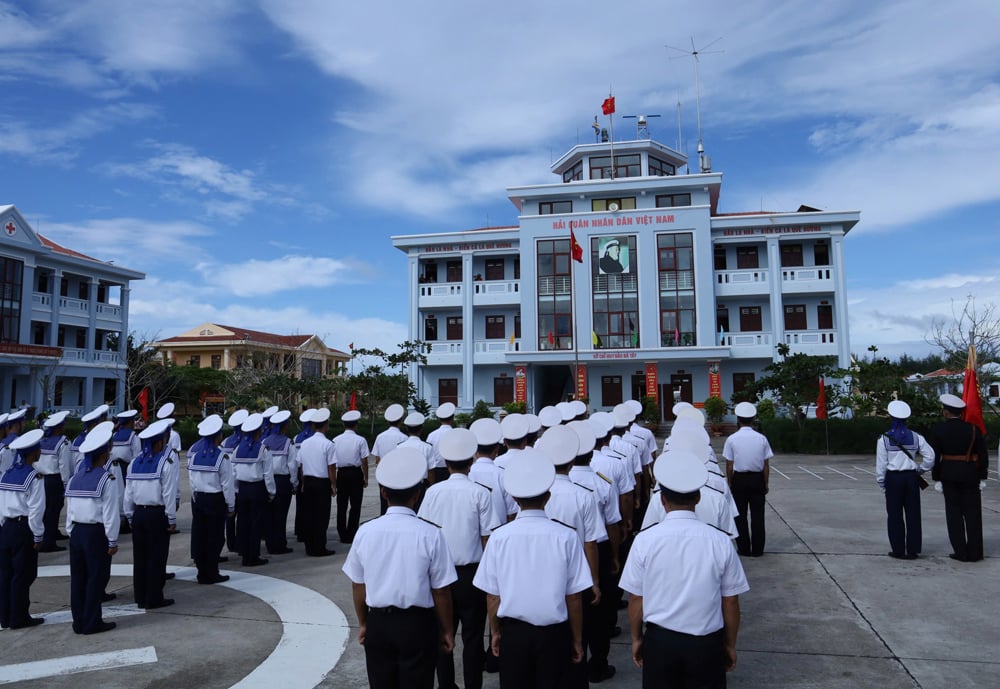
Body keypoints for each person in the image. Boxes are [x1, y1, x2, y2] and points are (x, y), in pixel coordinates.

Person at [620, 450, 750, 688]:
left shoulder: (645, 540)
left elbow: (636, 598)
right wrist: (730, 644)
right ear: (698, 498)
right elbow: (730, 601)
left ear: (661, 499)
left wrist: (637, 638)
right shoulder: (719, 540)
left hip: (660, 642)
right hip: (706, 643)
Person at [473, 450, 592, 689]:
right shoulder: (566, 536)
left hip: (514, 634)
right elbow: (575, 596)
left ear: (515, 499)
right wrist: (577, 639)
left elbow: (493, 595)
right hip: (554, 634)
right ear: (547, 497)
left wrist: (495, 632)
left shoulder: (499, 537)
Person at [342, 446, 457, 689]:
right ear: (417, 495)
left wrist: (364, 623)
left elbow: (358, 584)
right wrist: (447, 629)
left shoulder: (366, 531)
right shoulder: (431, 534)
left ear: (383, 493)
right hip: (418, 625)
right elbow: (441, 591)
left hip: (379, 624)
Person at [418, 429, 498, 689]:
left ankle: (446, 685)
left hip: (440, 575)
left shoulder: (432, 493)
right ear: (472, 460)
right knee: (473, 637)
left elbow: (424, 533)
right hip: (472, 575)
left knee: (443, 634)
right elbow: (488, 539)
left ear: (446, 462)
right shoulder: (480, 493)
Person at [567, 420, 622, 684]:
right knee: (598, 613)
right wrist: (614, 555)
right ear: (592, 452)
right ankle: (598, 664)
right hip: (594, 551)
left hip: (564, 553)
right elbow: (612, 523)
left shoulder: (551, 487)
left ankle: (571, 660)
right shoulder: (602, 482)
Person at [65, 422, 120, 634]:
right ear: (104, 455)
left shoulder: (75, 478)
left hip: (77, 532)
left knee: (78, 579)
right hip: (96, 534)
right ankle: (92, 621)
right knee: (95, 578)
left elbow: (70, 511)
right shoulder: (106, 478)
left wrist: (72, 532)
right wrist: (112, 540)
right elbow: (110, 513)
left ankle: (78, 621)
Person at [123, 418, 178, 608]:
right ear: (160, 442)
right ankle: (154, 597)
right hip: (156, 514)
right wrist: (171, 517)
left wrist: (129, 515)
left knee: (140, 558)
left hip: (138, 514)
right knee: (156, 557)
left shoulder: (134, 463)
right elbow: (169, 493)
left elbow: (128, 493)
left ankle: (140, 596)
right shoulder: (165, 463)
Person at [929, 393, 989, 562]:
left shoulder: (939, 430)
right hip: (970, 474)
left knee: (954, 514)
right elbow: (983, 455)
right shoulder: (973, 429)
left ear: (946, 413)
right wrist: (983, 477)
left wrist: (937, 478)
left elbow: (935, 457)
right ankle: (975, 552)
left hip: (948, 475)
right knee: (973, 514)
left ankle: (961, 552)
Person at [875, 400, 934, 560]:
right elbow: (930, 457)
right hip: (911, 477)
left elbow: (881, 465)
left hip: (893, 478)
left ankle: (898, 549)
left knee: (894, 515)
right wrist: (920, 470)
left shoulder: (884, 439)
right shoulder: (916, 437)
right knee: (913, 514)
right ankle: (913, 549)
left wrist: (882, 483)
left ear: (890, 416)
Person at [0, 428, 46, 629]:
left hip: (7, 527)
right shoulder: (34, 477)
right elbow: (36, 510)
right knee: (23, 574)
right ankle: (19, 616)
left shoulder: (7, 474)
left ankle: (6, 616)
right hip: (23, 527)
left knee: (6, 574)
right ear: (33, 453)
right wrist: (38, 535)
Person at [187, 414, 234, 584]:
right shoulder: (222, 457)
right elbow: (227, 484)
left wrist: (196, 497)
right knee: (215, 537)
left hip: (199, 499)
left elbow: (192, 481)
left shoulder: (195, 455)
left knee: (201, 536)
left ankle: (202, 572)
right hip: (215, 500)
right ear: (218, 436)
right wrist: (230, 506)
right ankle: (212, 572)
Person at [723, 401, 773, 556]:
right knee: (758, 516)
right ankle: (758, 550)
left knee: (740, 515)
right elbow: (766, 464)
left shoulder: (732, 439)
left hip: (740, 479)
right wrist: (765, 483)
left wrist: (730, 482)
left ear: (738, 419)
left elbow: (729, 464)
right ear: (753, 419)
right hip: (757, 478)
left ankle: (744, 548)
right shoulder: (761, 438)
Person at [231, 413, 275, 567]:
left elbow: (234, 473)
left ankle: (244, 553)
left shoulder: (237, 450)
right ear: (259, 431)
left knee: (242, 522)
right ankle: (253, 556)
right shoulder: (263, 449)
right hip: (257, 489)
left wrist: (237, 490)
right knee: (256, 523)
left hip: (242, 489)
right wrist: (271, 492)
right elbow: (268, 474)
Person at [297, 408, 337, 557]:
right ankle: (320, 547)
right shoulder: (328, 444)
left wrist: (302, 483)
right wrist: (334, 485)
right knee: (321, 516)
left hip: (308, 482)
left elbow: (301, 466)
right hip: (322, 483)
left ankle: (310, 547)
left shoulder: (305, 443)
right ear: (325, 425)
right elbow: (331, 467)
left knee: (309, 515)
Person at [263, 410, 297, 555]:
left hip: (268, 481)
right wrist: (294, 484)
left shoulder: (264, 442)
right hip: (283, 482)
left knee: (270, 515)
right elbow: (292, 466)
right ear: (284, 426)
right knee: (281, 515)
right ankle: (280, 544)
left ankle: (270, 544)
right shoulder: (288, 443)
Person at [36, 411, 72, 551]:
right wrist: (66, 484)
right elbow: (64, 466)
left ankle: (51, 534)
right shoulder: (63, 442)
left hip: (41, 478)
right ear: (59, 427)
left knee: (45, 510)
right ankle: (48, 542)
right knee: (53, 510)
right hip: (54, 479)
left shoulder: (41, 440)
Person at [333, 410, 369, 544]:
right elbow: (364, 460)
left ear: (343, 425)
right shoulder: (360, 440)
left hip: (341, 473)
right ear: (356, 425)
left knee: (341, 504)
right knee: (355, 504)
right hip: (355, 473)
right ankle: (352, 532)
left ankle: (342, 533)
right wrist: (366, 477)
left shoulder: (336, 440)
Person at [109, 410, 141, 536]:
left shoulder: (113, 435)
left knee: (116, 494)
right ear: (131, 422)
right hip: (126, 467)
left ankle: (118, 521)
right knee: (127, 495)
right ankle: (127, 521)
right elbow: (136, 455)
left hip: (113, 467)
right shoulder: (134, 437)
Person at [371, 404, 407, 515]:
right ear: (400, 420)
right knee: (399, 503)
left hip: (384, 474)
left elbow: (377, 459)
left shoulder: (380, 436)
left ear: (387, 421)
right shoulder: (404, 438)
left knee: (384, 503)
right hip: (399, 475)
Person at [293, 408, 316, 540]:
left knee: (300, 505)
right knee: (312, 506)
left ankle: (300, 531)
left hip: (299, 473)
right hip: (311, 474)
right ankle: (309, 531)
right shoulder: (316, 438)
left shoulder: (296, 438)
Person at [426, 402, 456, 483]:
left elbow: (429, 454)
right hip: (454, 469)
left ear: (439, 419)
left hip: (436, 472)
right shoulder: (456, 434)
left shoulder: (431, 435)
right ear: (453, 418)